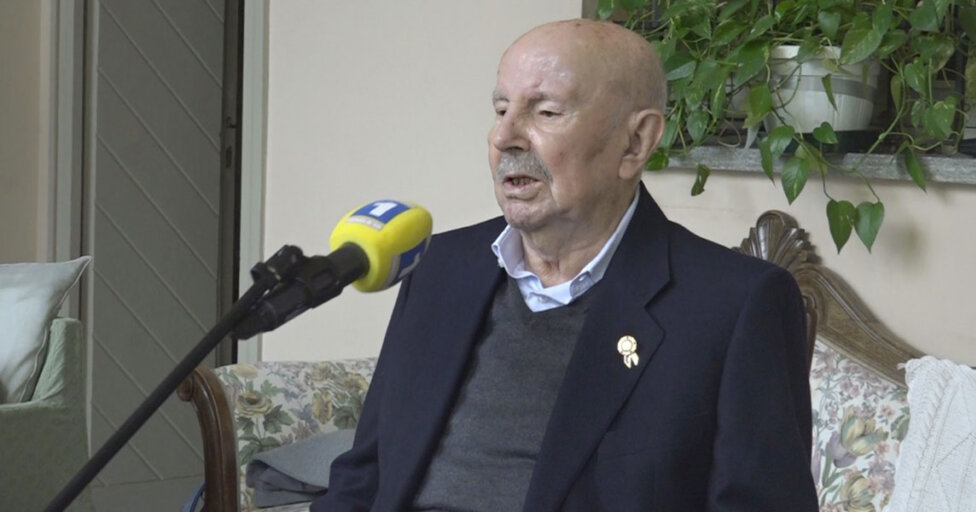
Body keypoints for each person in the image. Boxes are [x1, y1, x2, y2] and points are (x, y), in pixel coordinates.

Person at [312, 19, 818, 512]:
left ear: (636, 142)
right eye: (501, 109)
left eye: (546, 112)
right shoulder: (438, 268)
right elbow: (363, 477)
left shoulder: (732, 305)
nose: (504, 136)